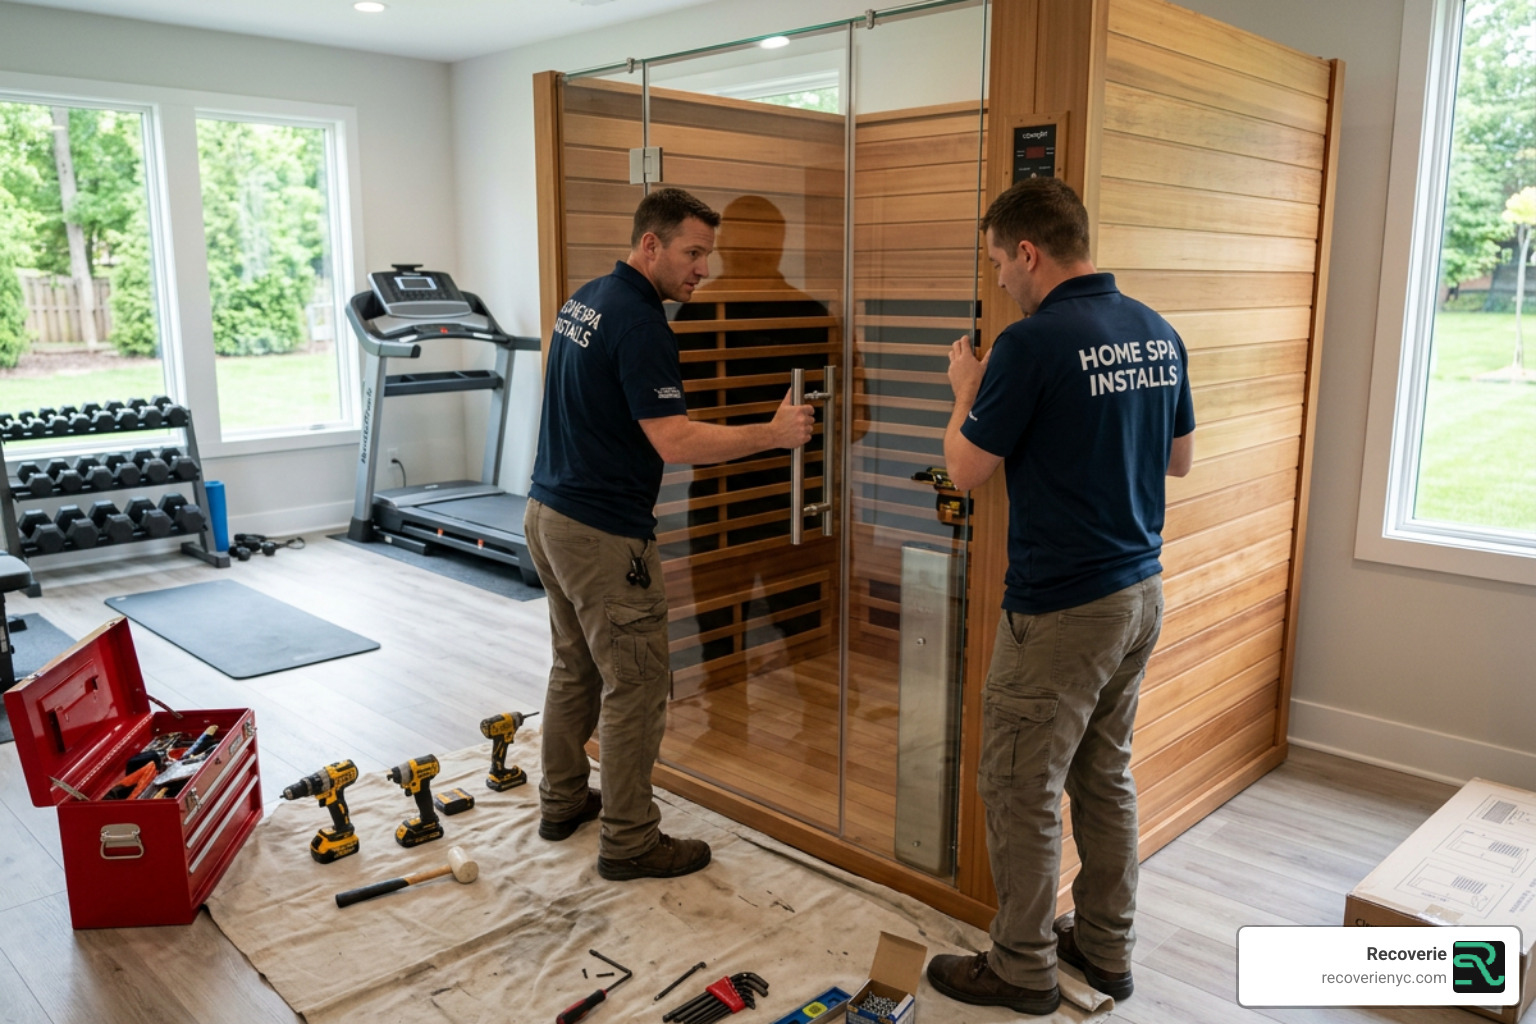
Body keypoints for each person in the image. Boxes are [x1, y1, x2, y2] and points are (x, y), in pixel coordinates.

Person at [924, 177, 1195, 1015]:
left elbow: (965, 472)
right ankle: (1107, 951)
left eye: (1001, 260)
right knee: (1102, 775)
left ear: (1030, 252)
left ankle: (1021, 966)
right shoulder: (1155, 330)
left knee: (1018, 785)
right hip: (1139, 592)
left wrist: (965, 389)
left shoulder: (1031, 344)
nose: (1001, 277)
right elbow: (1178, 460)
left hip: (1061, 609)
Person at [524, 186, 815, 881]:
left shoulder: (585, 298)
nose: (702, 269)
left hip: (547, 513)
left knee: (576, 666)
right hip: (600, 533)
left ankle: (563, 800)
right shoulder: (640, 320)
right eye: (692, 252)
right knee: (638, 684)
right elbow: (675, 440)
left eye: (707, 254)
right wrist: (773, 435)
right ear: (649, 244)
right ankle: (629, 840)